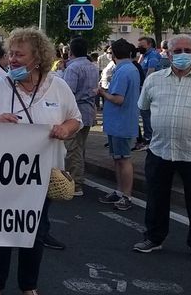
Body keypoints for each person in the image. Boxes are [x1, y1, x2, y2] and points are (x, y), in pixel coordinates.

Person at [0, 27, 81, 295]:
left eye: (20, 54)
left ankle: (28, 288)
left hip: (42, 175)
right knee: (2, 230)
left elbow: (76, 119)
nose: (13, 59)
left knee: (36, 231)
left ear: (38, 58)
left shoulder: (58, 87)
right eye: (11, 54)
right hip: (3, 176)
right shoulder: (0, 86)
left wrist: (63, 129)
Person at [134, 35, 191, 262]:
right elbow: (144, 107)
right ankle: (154, 238)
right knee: (156, 197)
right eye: (178, 50)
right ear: (169, 54)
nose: (183, 54)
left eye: (187, 50)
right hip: (160, 149)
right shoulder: (154, 80)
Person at [96, 39, 141, 211]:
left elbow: (118, 99)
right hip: (118, 122)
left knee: (123, 159)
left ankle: (126, 195)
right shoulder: (129, 68)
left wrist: (102, 93)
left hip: (121, 123)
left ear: (113, 54)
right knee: (118, 159)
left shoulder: (123, 71)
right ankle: (119, 190)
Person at [63, 37, 99, 196]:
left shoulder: (73, 68)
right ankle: (78, 178)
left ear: (71, 51)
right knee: (80, 148)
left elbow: (68, 93)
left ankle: (75, 184)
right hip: (88, 109)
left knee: (72, 149)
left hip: (75, 111)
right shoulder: (92, 66)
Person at [136, 36, 161, 150]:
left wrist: (144, 89)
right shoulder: (145, 55)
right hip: (144, 90)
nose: (139, 47)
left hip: (150, 91)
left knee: (147, 115)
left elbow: (150, 73)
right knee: (145, 115)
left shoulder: (153, 56)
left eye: (142, 45)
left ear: (149, 44)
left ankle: (149, 139)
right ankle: (147, 138)